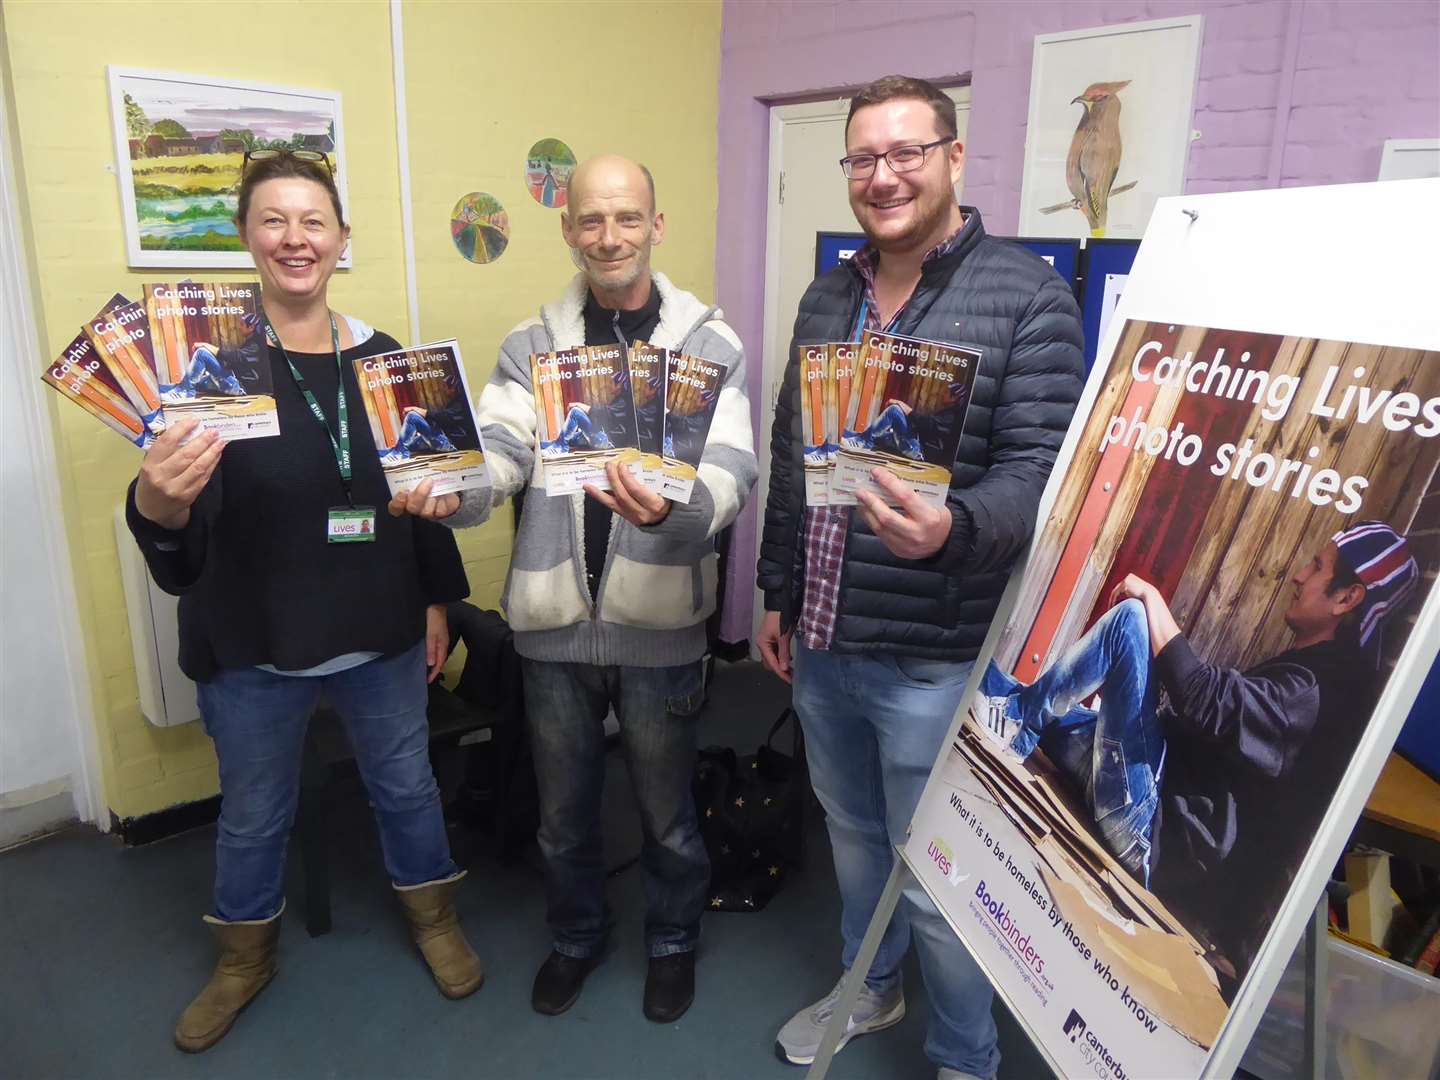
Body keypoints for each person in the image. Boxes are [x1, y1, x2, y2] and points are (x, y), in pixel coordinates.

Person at [756, 75, 1084, 1079]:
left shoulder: (1028, 296)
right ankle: (870, 986)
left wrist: (951, 529)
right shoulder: (829, 293)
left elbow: (1041, 480)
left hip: (933, 654)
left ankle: (966, 1056)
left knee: (938, 871)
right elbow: (791, 451)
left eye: (905, 152)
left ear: (953, 156)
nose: (882, 175)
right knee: (854, 837)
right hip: (822, 636)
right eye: (862, 158)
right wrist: (776, 588)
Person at [126, 150, 483, 1054]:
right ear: (247, 238)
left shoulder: (390, 360)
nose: (296, 238)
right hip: (253, 643)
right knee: (253, 813)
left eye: (313, 220)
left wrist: (437, 601)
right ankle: (244, 958)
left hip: (381, 631)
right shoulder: (210, 368)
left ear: (341, 239)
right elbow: (177, 552)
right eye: (275, 220)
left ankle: (433, 917)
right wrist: (157, 502)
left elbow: (424, 498)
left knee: (406, 788)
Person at [391, 154, 757, 1023]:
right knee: (563, 819)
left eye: (627, 218)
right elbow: (501, 448)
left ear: (656, 227)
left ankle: (671, 942)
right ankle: (577, 937)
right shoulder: (532, 344)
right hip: (551, 630)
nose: (609, 236)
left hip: (661, 627)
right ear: (568, 230)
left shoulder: (712, 345)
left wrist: (675, 512)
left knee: (667, 817)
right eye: (591, 220)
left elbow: (735, 468)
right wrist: (459, 489)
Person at [981, 521, 1419, 977]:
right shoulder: (1317, 677)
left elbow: (1202, 698)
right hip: (1143, 788)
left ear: (1347, 598)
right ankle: (1013, 709)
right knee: (998, 685)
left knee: (1130, 623)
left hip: (1146, 827)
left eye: (1317, 566)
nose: (1299, 575)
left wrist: (1153, 602)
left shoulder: (1317, 692)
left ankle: (1017, 724)